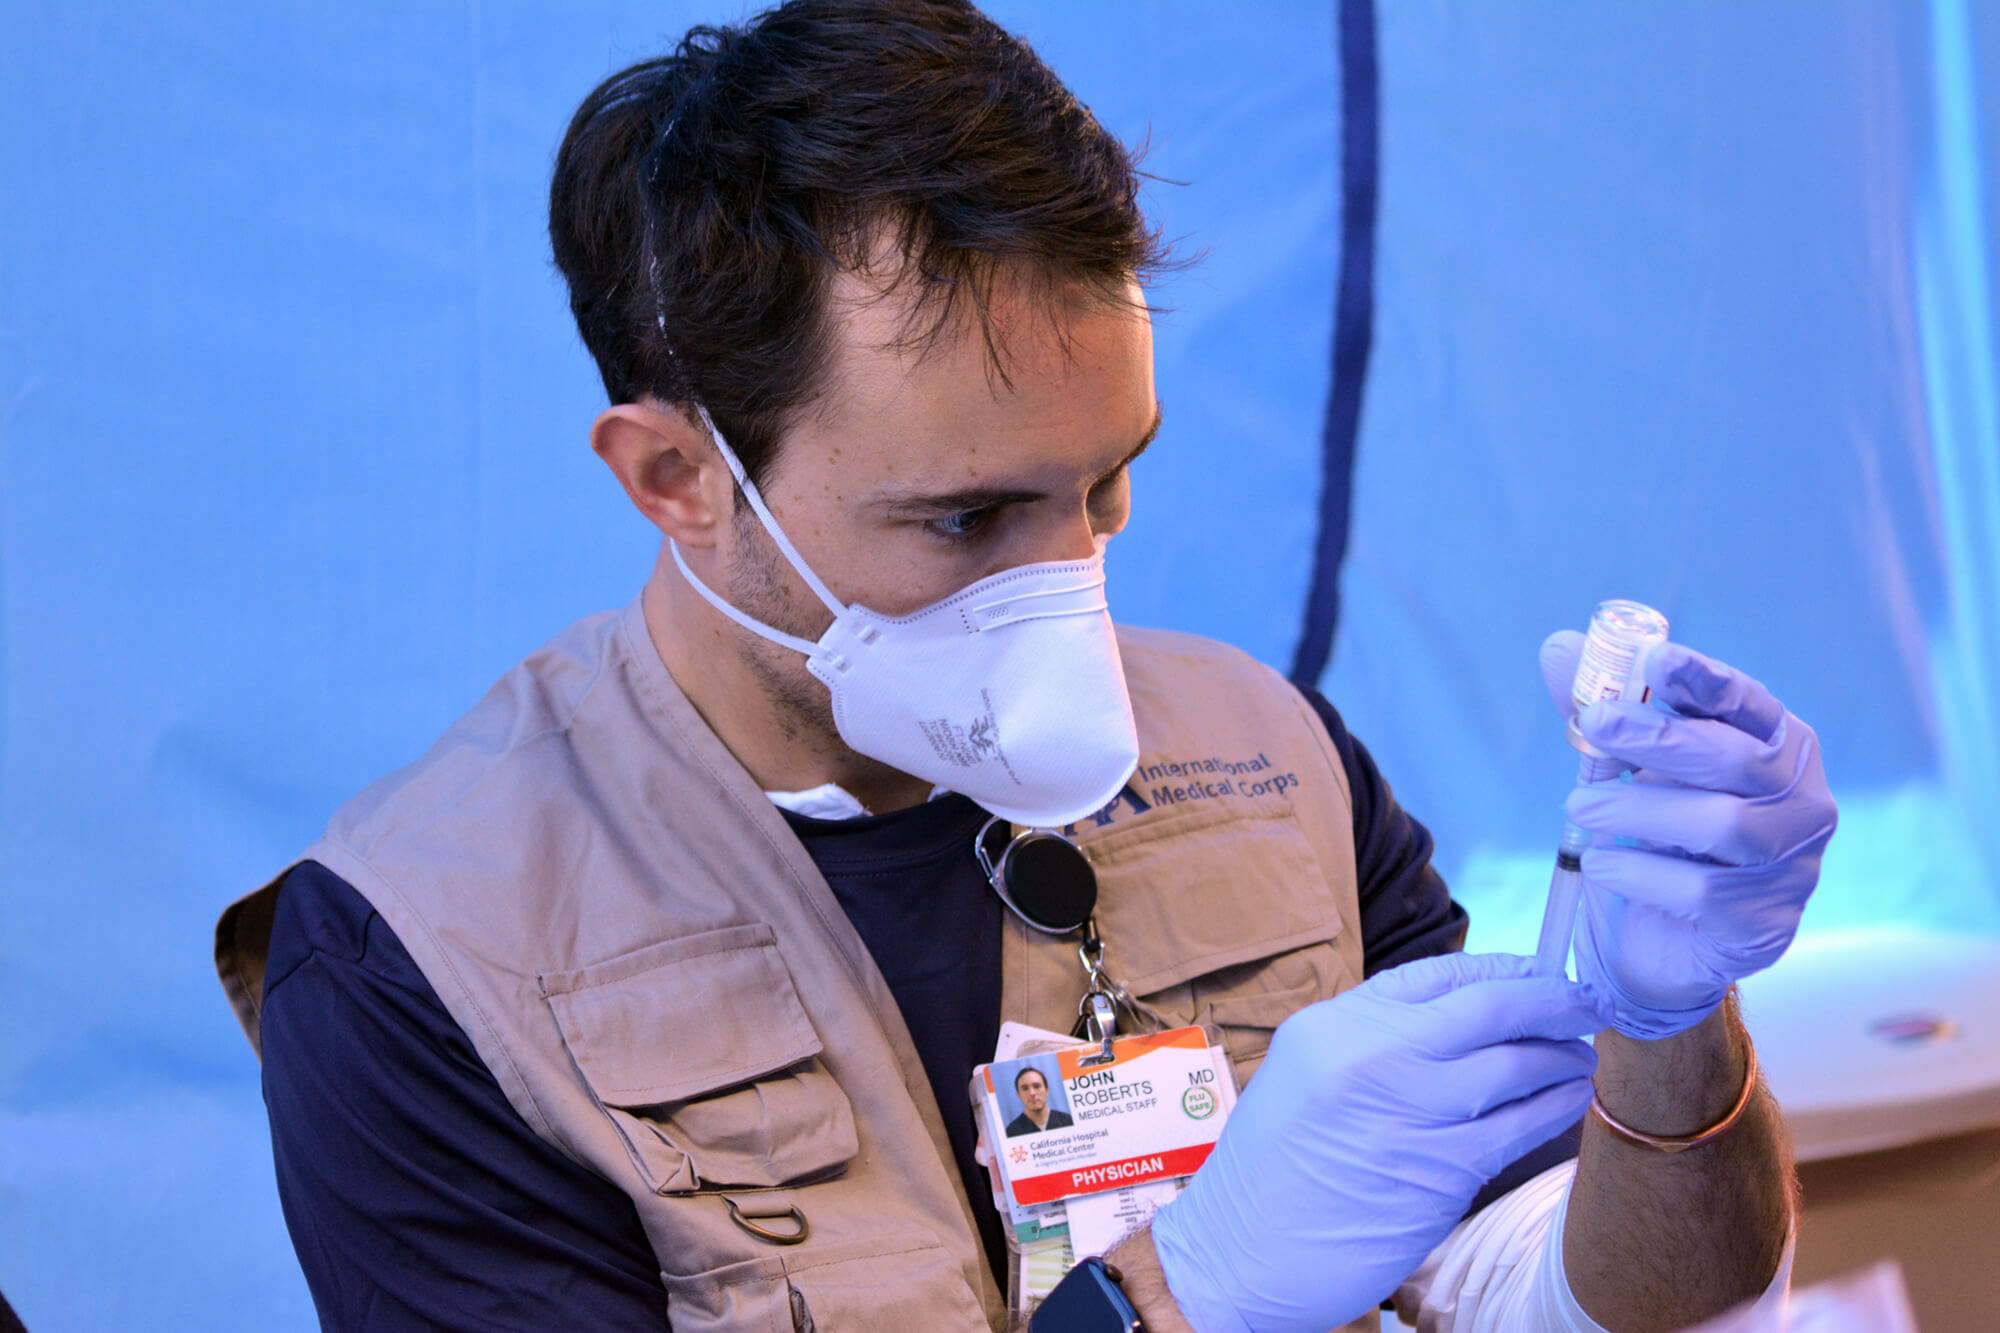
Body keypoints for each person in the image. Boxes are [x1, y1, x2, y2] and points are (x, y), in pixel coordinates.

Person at [212, 2, 1836, 1330]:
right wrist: (1175, 1298)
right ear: (676, 479)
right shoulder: (428, 964)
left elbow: (1617, 1309)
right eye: (968, 513)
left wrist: (1672, 1030)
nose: (1068, 587)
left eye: (1107, 479)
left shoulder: (1271, 759)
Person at [1005, 1067, 1072, 1137]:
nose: (1032, 1093)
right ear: (1019, 1095)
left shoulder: (1068, 1121)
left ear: (1047, 1090)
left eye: (1036, 1086)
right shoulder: (1011, 1132)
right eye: (1025, 1088)